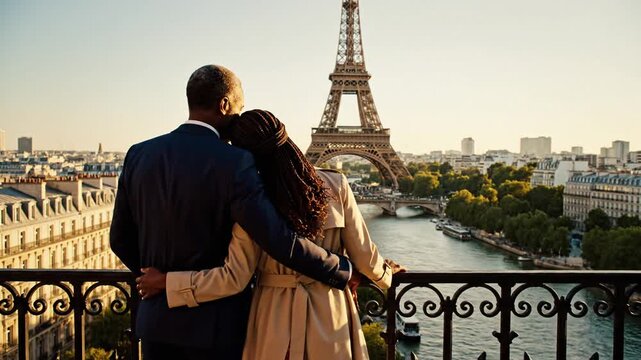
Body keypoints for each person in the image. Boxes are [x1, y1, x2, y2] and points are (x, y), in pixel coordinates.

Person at [109, 65, 354, 360]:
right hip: (216, 326)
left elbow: (119, 238)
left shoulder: (139, 153)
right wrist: (340, 268)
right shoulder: (235, 162)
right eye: (239, 107)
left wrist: (154, 279)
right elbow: (277, 238)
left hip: (156, 322)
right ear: (224, 104)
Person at [136, 110, 406, 360]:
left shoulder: (251, 200)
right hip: (330, 316)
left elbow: (234, 278)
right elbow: (366, 258)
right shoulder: (336, 184)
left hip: (273, 320)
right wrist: (385, 274)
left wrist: (168, 283)